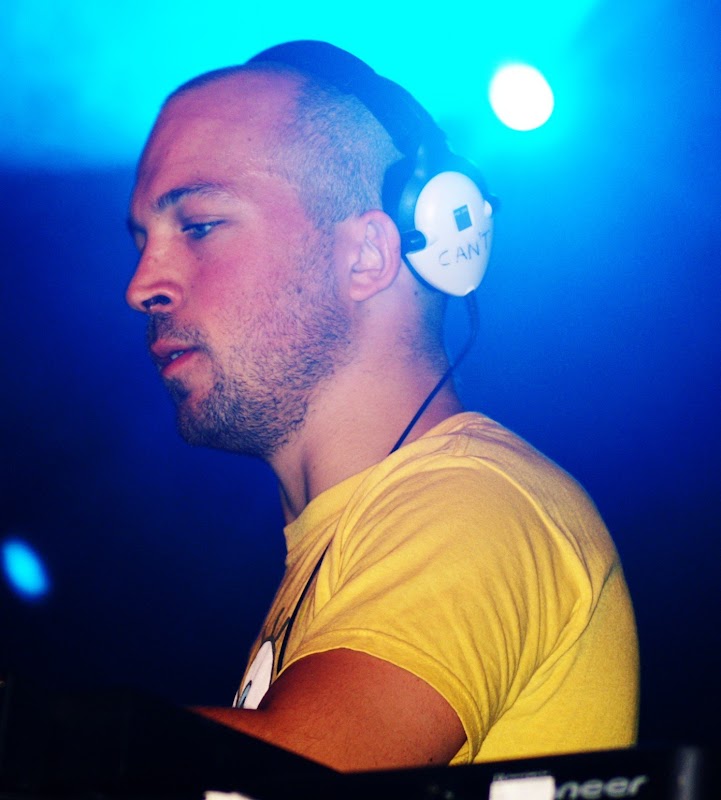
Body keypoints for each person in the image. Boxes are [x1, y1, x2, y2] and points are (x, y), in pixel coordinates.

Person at [125, 40, 639, 773]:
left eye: (199, 226)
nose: (141, 285)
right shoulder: (357, 534)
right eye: (142, 240)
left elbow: (298, 779)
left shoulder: (472, 502)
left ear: (367, 254)